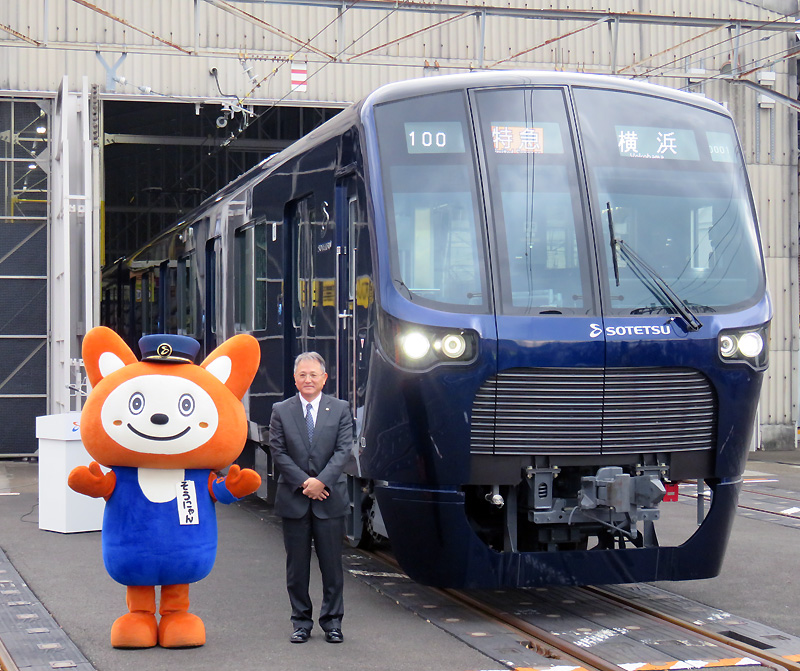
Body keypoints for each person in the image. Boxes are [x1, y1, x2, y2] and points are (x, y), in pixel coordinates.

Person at [268, 351, 354, 644]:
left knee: (332, 567)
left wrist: (321, 482)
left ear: (324, 379)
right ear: (295, 379)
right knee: (297, 568)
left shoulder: (341, 408)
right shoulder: (281, 410)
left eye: (313, 375)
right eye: (302, 375)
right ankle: (301, 622)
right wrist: (306, 482)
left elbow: (344, 450)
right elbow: (277, 452)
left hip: (330, 498)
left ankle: (332, 623)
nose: (308, 380)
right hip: (294, 498)